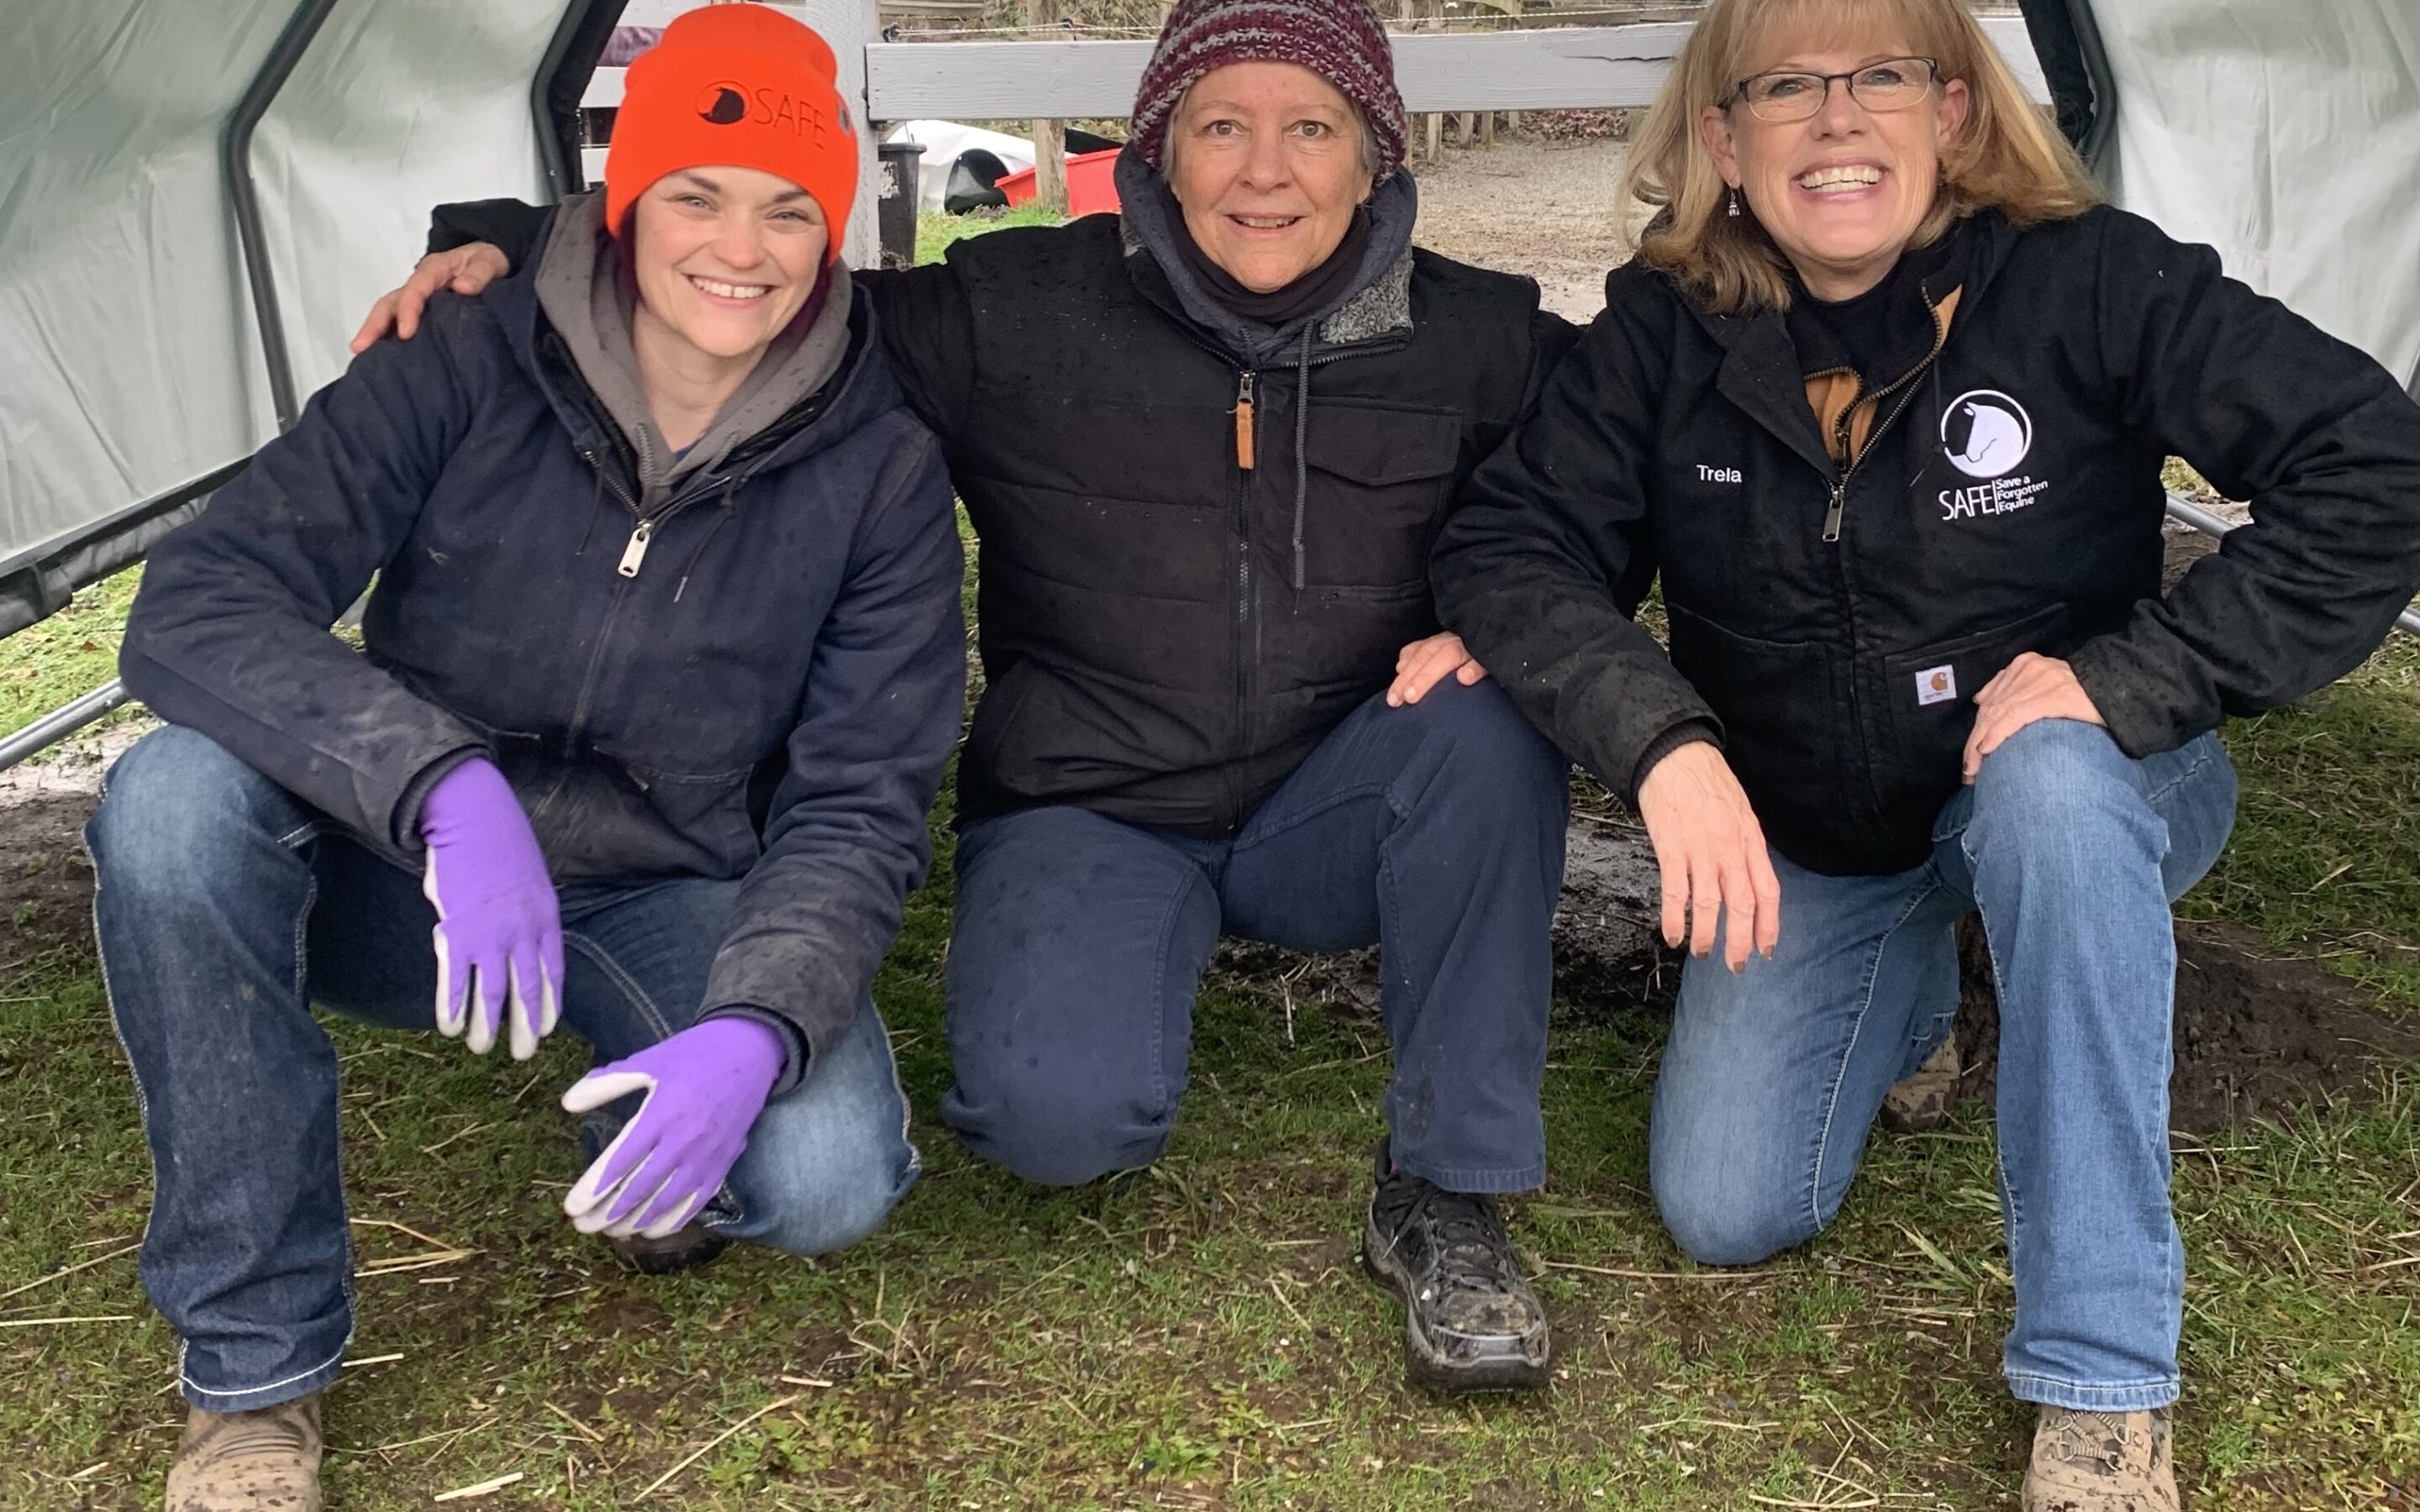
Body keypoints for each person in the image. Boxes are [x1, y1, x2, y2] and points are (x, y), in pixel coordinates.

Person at [362, 0, 1580, 1394]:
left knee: (1491, 727)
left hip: (1346, 799)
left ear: (1376, 161)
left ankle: (1449, 1186)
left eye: (1312, 129)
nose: (1265, 170)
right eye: (1220, 126)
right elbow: (755, 279)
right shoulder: (1014, 309)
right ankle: (1091, 1012)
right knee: (1052, 1126)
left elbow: (1615, 461)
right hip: (1095, 803)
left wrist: (1511, 614)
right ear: (1157, 149)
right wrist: (512, 241)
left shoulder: (1481, 336)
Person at [1431, 0, 2420, 1502]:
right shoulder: (1661, 331)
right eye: (1785, 88)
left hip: (2091, 779)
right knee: (1725, 1206)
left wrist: (2142, 679)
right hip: (1823, 831)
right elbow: (1512, 550)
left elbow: (2375, 464)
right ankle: (1925, 987)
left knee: (2046, 792)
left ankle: (2103, 1374)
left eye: (1879, 75)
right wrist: (1662, 745)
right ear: (1723, 140)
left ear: (1952, 112)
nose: (1836, 118)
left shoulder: (2094, 279)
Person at [88, 9, 963, 1509]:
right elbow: (206, 596)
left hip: (652, 875)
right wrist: (441, 785)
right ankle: (255, 1373)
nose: (738, 247)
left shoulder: (880, 467)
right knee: (169, 806)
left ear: (833, 231)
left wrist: (761, 1020)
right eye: (696, 191)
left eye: (788, 209)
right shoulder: (467, 351)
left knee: (825, 1181)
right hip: (405, 865)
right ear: (625, 198)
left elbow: (861, 801)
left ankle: (657, 1084)